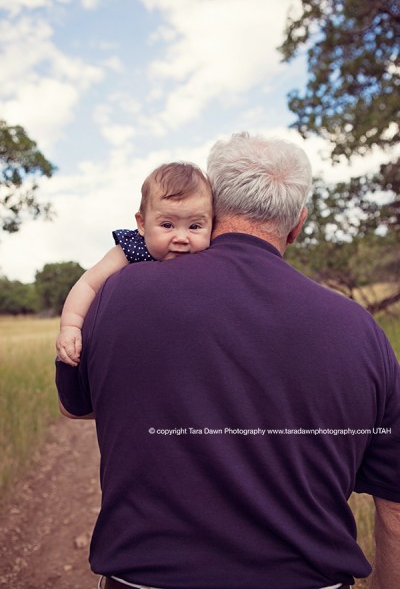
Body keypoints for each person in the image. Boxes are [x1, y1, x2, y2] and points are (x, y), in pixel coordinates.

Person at [56, 132, 400, 589]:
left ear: (214, 209)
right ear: (297, 224)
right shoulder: (361, 331)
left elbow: (74, 404)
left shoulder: (119, 292)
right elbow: (394, 505)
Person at [56, 162, 213, 366]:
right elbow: (88, 284)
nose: (182, 237)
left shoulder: (212, 254)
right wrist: (71, 327)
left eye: (195, 226)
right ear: (142, 223)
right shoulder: (133, 249)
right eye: (167, 225)